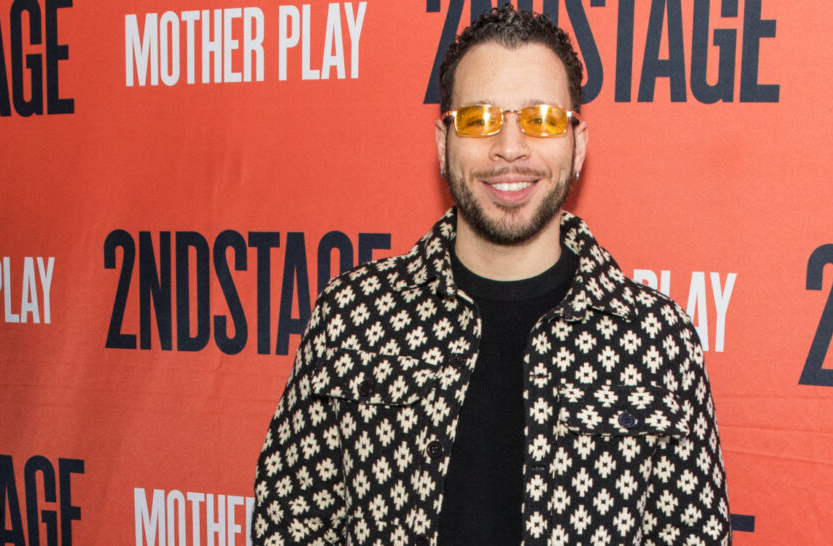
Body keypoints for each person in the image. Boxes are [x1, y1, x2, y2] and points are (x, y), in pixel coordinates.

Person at [252, 5, 731, 545]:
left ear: (577, 145)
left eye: (541, 119)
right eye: (479, 119)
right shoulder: (352, 317)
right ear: (443, 143)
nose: (509, 147)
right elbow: (287, 524)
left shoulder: (656, 340)